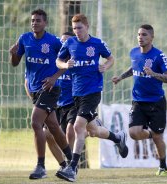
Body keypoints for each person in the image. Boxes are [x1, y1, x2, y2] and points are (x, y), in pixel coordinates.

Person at [55, 13, 128, 182]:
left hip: (93, 92)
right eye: (74, 29)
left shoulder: (97, 43)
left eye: (79, 28)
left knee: (78, 127)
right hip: (76, 93)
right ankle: (117, 137)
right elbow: (58, 61)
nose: (77, 31)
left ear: (87, 27)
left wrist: (105, 66)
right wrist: (65, 65)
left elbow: (111, 58)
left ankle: (72, 168)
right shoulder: (69, 43)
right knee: (92, 131)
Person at [9, 9, 72, 179]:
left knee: (36, 123)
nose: (34, 23)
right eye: (32, 20)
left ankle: (40, 167)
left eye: (38, 20)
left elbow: (66, 62)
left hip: (50, 88)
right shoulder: (24, 39)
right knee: (53, 127)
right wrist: (13, 54)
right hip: (36, 90)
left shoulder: (53, 41)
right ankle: (71, 164)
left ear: (45, 23)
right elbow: (15, 63)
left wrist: (54, 78)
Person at [112, 24, 167, 176]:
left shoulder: (159, 56)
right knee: (134, 133)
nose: (141, 37)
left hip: (156, 102)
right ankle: (153, 134)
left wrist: (154, 74)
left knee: (158, 139)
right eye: (139, 34)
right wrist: (121, 77)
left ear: (152, 37)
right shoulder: (133, 52)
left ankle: (163, 167)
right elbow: (134, 68)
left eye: (144, 35)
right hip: (138, 101)